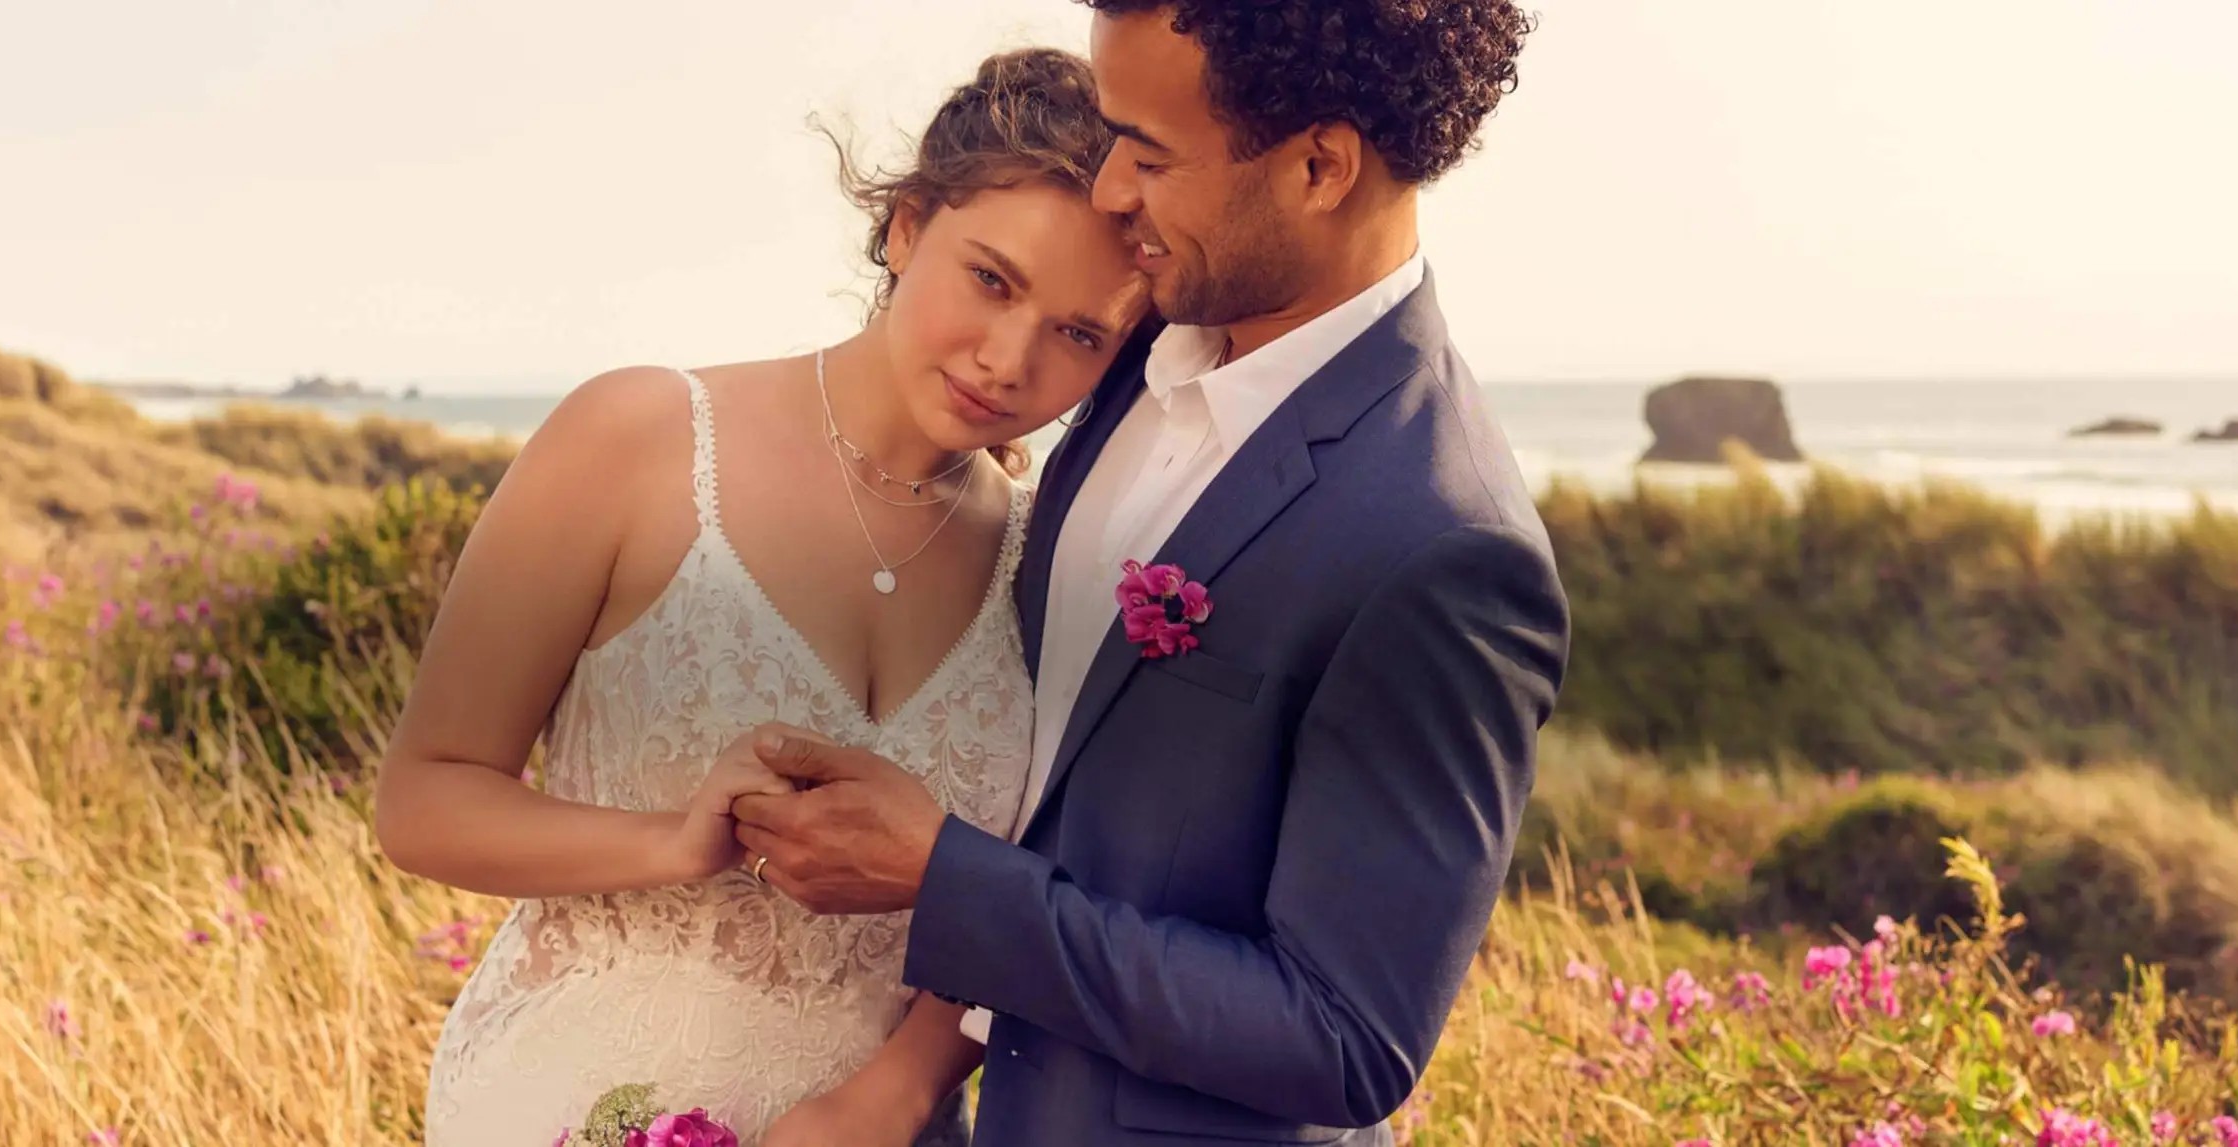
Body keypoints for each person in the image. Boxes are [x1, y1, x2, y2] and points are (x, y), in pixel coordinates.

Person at [726, 2, 1570, 1144]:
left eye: (1151, 152)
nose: (1112, 189)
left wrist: (944, 878)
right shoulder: (1134, 338)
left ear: (1320, 166)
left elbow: (1344, 1037)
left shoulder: (1441, 543)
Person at [370, 48, 1153, 1146]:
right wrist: (672, 843)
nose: (1008, 359)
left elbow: (1035, 890)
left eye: (1080, 334)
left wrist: (903, 1091)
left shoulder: (1052, 563)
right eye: (991, 278)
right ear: (908, 228)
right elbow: (424, 799)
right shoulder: (633, 439)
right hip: (580, 1102)